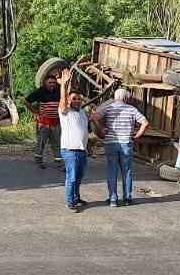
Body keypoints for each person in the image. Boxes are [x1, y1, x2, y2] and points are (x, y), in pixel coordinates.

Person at [94, 88, 148, 207]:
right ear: (126, 98)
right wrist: (137, 135)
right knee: (127, 172)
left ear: (115, 97)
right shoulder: (132, 109)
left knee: (112, 172)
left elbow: (95, 116)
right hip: (126, 144)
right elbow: (145, 123)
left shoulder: (109, 107)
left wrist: (101, 128)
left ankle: (113, 199)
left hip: (111, 143)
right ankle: (127, 198)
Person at [58, 75, 91, 213]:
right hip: (70, 150)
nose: (76, 100)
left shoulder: (82, 111)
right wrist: (63, 85)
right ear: (69, 100)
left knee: (78, 177)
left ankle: (76, 197)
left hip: (82, 150)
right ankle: (70, 202)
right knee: (71, 177)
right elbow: (62, 101)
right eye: (73, 98)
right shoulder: (65, 112)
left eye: (78, 98)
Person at [25, 70, 63, 169]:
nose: (52, 85)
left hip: (56, 122)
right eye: (50, 83)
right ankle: (38, 160)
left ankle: (58, 162)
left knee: (57, 142)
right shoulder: (40, 92)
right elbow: (26, 101)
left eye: (54, 83)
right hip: (44, 122)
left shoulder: (59, 91)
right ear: (45, 83)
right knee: (41, 142)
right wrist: (35, 113)